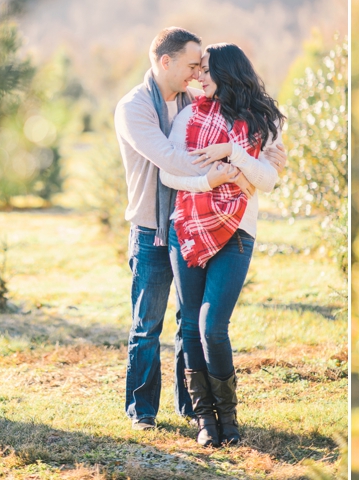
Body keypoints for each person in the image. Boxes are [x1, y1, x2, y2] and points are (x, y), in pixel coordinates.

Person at [114, 28, 285, 431]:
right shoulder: (136, 107)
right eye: (192, 65)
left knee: (188, 323)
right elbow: (171, 160)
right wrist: (225, 174)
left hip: (195, 223)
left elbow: (254, 133)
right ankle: (142, 413)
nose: (196, 74)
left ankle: (192, 409)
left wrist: (261, 158)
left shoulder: (196, 101)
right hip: (155, 227)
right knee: (148, 325)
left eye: (202, 67)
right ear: (165, 61)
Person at [158, 42, 285, 447]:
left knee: (213, 325)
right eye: (199, 70)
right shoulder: (188, 118)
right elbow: (169, 175)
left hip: (237, 233)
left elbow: (268, 179)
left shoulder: (260, 121)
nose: (200, 76)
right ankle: (205, 422)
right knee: (191, 326)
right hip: (189, 230)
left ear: (229, 73)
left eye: (208, 69)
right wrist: (212, 180)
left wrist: (233, 151)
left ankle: (228, 419)